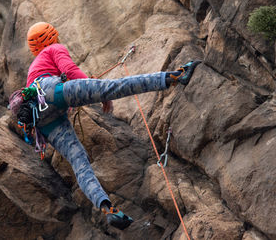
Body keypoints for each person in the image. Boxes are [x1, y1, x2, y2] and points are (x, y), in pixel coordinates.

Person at [16, 22, 200, 230]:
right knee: (115, 87)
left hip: (40, 117)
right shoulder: (54, 48)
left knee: (79, 162)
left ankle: (108, 209)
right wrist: (100, 95)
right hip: (52, 92)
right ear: (52, 36)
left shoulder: (34, 67)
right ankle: (175, 76)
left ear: (33, 47)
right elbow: (69, 69)